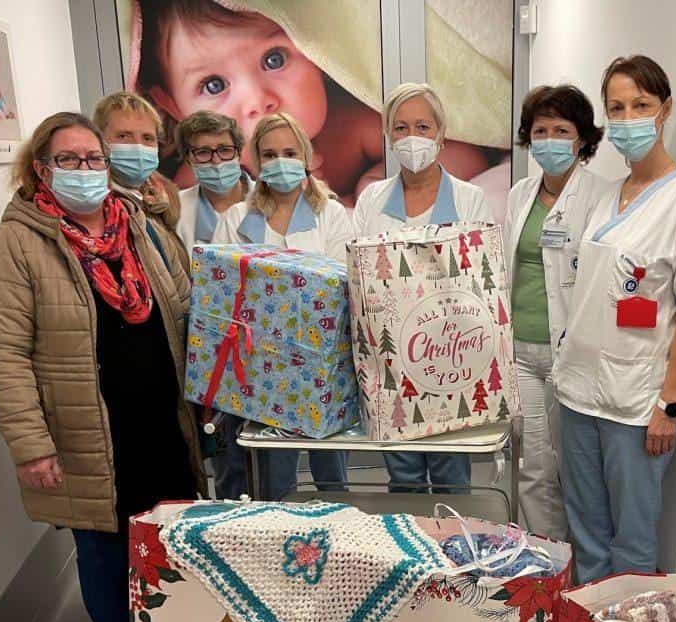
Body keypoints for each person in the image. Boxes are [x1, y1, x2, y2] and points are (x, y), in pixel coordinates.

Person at [0, 112, 201, 622]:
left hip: (164, 417)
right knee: (104, 546)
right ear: (41, 169)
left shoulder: (141, 226)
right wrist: (32, 446)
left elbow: (185, 304)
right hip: (87, 429)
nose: (85, 169)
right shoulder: (17, 243)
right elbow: (4, 352)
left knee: (172, 530)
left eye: (93, 158)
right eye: (69, 160)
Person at [554, 56, 676, 584]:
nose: (628, 119)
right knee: (586, 532)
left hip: (635, 402)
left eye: (640, 106)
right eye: (617, 108)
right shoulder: (607, 196)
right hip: (577, 392)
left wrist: (669, 405)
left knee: (633, 539)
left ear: (665, 110)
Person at [131, 0, 490, 204]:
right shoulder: (204, 176)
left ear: (319, 56)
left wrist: (379, 184)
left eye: (274, 59)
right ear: (173, 107)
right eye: (214, 85)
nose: (258, 101)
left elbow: (467, 155)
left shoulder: (348, 127)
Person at [354, 82, 492, 494]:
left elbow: (479, 279)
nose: (411, 137)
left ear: (441, 134)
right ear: (388, 136)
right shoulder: (371, 200)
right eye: (400, 128)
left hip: (451, 357)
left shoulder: (469, 199)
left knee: (452, 478)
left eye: (422, 127)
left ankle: (454, 537)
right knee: (404, 479)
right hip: (390, 362)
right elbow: (358, 278)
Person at [209, 111, 352, 499]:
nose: (280, 162)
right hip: (263, 366)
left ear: (306, 156)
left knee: (332, 477)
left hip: (324, 361)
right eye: (269, 154)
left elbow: (341, 285)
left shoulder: (331, 215)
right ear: (256, 161)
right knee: (275, 479)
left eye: (289, 153)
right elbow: (224, 293)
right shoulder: (236, 219)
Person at [505, 85, 607, 541]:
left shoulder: (602, 196)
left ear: (582, 138)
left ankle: (580, 558)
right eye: (541, 131)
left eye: (561, 131)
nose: (549, 140)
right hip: (521, 352)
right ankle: (543, 556)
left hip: (572, 353)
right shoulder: (520, 194)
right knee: (532, 464)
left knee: (575, 466)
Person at [92, 91, 187, 266]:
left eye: (148, 138)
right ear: (99, 142)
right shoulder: (94, 209)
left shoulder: (165, 200)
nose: (138, 146)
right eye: (123, 136)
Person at [175, 110, 253, 248]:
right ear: (188, 160)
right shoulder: (176, 208)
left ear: (239, 153)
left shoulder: (273, 199)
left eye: (225, 150)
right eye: (203, 152)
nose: (216, 161)